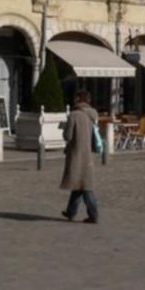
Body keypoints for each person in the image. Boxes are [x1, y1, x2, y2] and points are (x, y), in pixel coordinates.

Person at [60, 90, 100, 224]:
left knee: (85, 186)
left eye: (75, 97)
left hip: (77, 153)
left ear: (78, 99)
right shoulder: (93, 114)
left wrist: (65, 128)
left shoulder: (74, 115)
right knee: (80, 183)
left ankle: (93, 214)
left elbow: (68, 136)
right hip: (88, 154)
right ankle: (70, 211)